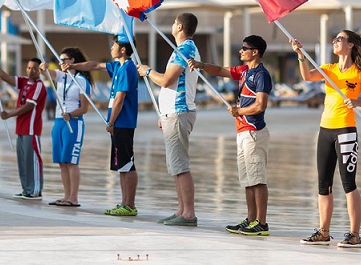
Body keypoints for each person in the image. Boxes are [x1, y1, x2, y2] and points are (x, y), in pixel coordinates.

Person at [188, 35, 272, 236]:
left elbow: (261, 105)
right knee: (247, 179)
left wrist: (239, 112)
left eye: (245, 48)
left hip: (254, 132)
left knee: (257, 178)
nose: (241, 51)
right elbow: (220, 70)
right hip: (242, 132)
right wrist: (201, 65)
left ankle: (262, 223)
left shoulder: (261, 74)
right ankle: (251, 220)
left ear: (255, 52)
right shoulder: (244, 71)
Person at [291, 31, 361, 248]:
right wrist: (300, 55)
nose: (335, 41)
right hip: (325, 130)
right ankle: (323, 232)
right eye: (335, 39)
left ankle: (355, 235)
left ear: (350, 45)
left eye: (339, 39)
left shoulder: (358, 71)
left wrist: (357, 101)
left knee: (349, 184)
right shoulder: (329, 69)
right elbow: (307, 77)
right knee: (324, 184)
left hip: (346, 130)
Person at [63, 34, 139, 216]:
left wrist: (111, 121)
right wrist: (73, 66)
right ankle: (123, 203)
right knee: (122, 164)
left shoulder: (128, 68)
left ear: (122, 49)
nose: (111, 48)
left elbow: (120, 99)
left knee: (128, 163)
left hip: (123, 122)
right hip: (118, 122)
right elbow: (95, 65)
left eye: (114, 45)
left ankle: (130, 205)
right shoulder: (118, 66)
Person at [137, 13, 200, 226]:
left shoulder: (185, 49)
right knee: (175, 164)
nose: (172, 25)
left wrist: (147, 71)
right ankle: (181, 209)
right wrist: (163, 112)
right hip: (172, 112)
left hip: (180, 111)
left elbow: (166, 80)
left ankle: (189, 213)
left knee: (180, 164)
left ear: (180, 27)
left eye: (174, 23)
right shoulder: (182, 49)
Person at [0, 56, 46, 199]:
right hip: (20, 128)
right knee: (22, 160)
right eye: (28, 67)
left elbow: (29, 106)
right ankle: (26, 189)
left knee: (32, 159)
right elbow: (6, 78)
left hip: (31, 129)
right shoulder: (24, 81)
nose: (30, 71)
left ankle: (35, 191)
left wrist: (9, 114)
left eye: (34, 68)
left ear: (39, 71)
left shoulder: (39, 86)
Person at [42, 47, 92, 207]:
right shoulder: (61, 77)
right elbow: (48, 73)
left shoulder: (82, 80)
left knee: (71, 161)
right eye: (60, 59)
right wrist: (43, 68)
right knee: (61, 161)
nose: (61, 62)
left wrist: (71, 114)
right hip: (58, 122)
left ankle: (73, 197)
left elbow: (85, 108)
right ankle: (66, 196)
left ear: (73, 61)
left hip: (73, 122)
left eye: (64, 59)